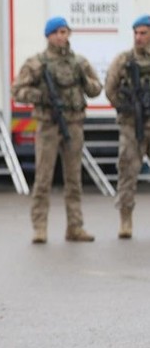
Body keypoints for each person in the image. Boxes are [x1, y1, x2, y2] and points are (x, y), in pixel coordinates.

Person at [11, 16, 102, 244]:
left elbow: (95, 89)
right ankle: (39, 227)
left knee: (74, 179)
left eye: (64, 32)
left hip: (73, 124)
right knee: (43, 178)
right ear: (48, 36)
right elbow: (17, 90)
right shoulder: (37, 64)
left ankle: (75, 226)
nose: (61, 37)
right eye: (56, 33)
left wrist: (86, 81)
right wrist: (39, 96)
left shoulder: (79, 63)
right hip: (48, 125)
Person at [104, 14, 150, 239]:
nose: (139, 37)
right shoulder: (124, 60)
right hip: (133, 125)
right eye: (136, 33)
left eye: (143, 33)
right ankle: (125, 219)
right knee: (127, 171)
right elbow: (110, 88)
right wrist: (124, 107)